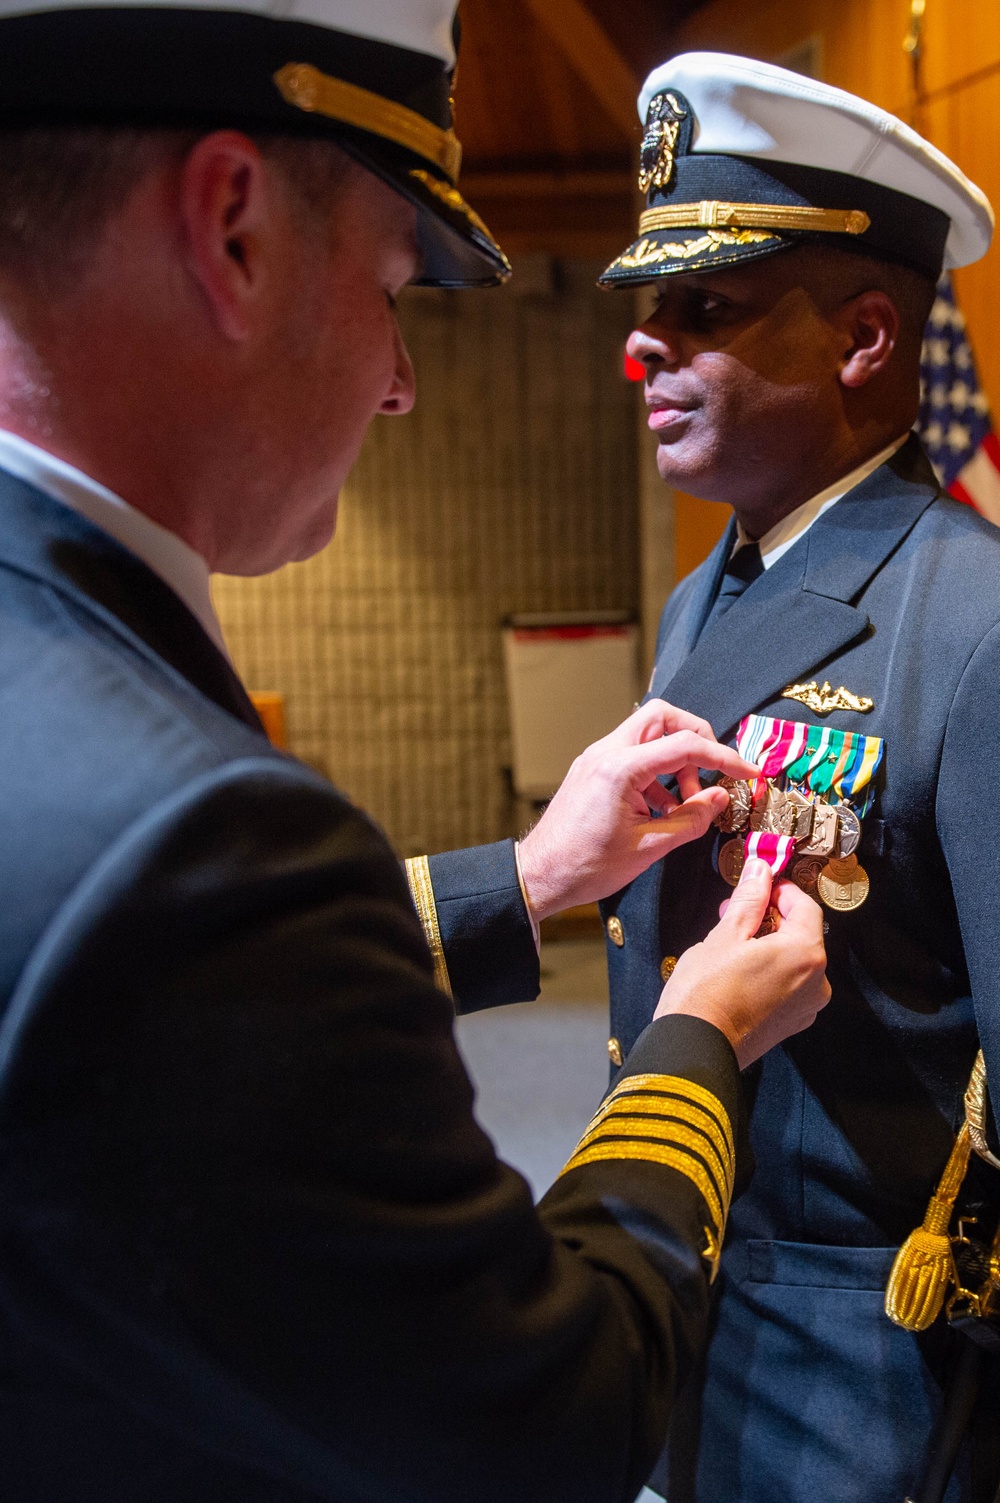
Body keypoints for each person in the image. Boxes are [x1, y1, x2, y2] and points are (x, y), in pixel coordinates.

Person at [0, 8, 831, 1502]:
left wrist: (521, 878)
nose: (397, 380)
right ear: (235, 228)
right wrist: (694, 1041)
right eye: (397, 286)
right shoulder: (197, 839)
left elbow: (141, 1021)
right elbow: (547, 1422)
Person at [587, 50, 998, 1503]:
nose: (647, 346)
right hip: (710, 1316)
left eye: (704, 310)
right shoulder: (717, 583)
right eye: (651, 311)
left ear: (867, 338)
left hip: (875, 1374)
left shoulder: (973, 619)